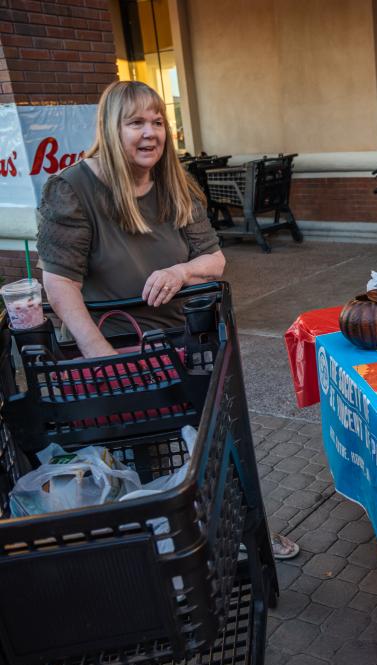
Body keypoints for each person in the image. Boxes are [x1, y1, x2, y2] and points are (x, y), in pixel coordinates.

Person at [36, 80, 300, 561]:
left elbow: (214, 259)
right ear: (111, 128)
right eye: (136, 122)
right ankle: (168, 548)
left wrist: (181, 271)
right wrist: (101, 356)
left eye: (158, 122)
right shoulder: (72, 191)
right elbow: (59, 285)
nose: (150, 133)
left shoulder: (175, 184)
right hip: (112, 344)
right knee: (150, 453)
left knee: (221, 437)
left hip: (181, 340)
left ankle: (241, 531)